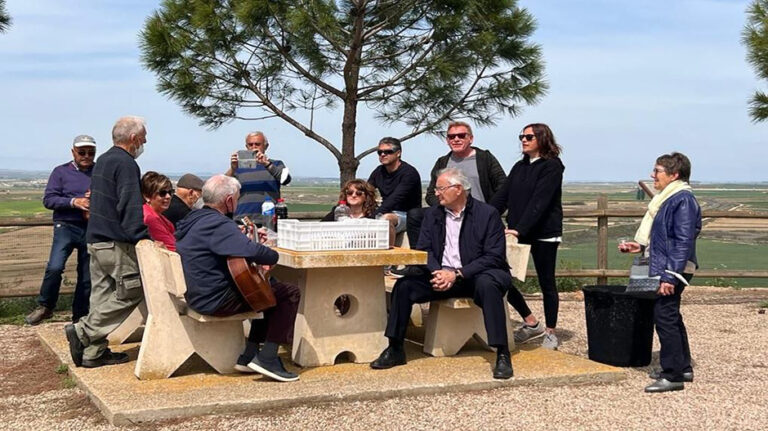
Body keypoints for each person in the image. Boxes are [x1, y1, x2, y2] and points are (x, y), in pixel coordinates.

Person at [371, 168, 515, 380]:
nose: (436, 193)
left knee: (489, 286)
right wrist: (438, 272)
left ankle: (502, 354)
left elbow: (493, 257)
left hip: (476, 275)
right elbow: (425, 249)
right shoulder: (432, 215)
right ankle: (395, 348)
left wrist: (456, 274)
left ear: (458, 189)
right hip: (441, 276)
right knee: (404, 287)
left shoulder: (487, 214)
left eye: (440, 189)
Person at [175, 175, 301, 382]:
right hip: (214, 300)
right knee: (287, 293)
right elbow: (262, 254)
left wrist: (238, 236)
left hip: (197, 293)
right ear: (229, 201)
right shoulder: (218, 224)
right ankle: (268, 358)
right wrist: (271, 253)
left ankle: (249, 355)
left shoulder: (193, 219)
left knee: (267, 286)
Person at [65, 116, 150, 368]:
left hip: (95, 238)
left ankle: (94, 353)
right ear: (133, 138)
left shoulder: (103, 160)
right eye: (143, 137)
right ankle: (83, 331)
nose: (145, 142)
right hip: (116, 241)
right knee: (133, 289)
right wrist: (141, 236)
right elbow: (129, 203)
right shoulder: (126, 164)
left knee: (100, 297)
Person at [619, 152, 701, 393]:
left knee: (664, 317)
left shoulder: (682, 200)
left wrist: (670, 276)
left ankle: (672, 374)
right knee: (671, 316)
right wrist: (641, 246)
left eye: (657, 171)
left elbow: (683, 241)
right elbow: (665, 236)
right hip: (669, 266)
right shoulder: (670, 198)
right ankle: (682, 367)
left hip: (673, 269)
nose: (652, 175)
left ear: (674, 175)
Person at [490, 123, 565, 350]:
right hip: (517, 230)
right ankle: (531, 321)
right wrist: (483, 218)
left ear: (542, 139)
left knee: (546, 282)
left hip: (543, 233)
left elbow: (540, 202)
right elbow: (502, 197)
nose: (523, 140)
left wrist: (519, 229)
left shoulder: (552, 167)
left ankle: (550, 331)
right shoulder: (519, 167)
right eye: (521, 136)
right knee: (501, 276)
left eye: (529, 136)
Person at [25, 135, 96, 325]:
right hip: (65, 226)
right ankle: (46, 306)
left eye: (91, 152)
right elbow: (49, 200)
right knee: (55, 266)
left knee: (87, 276)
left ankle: (79, 319)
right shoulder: (60, 172)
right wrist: (74, 202)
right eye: (82, 152)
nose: (86, 156)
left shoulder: (99, 173)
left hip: (90, 228)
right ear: (73, 152)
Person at [405, 121, 506, 247]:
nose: (456, 139)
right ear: (447, 140)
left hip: (477, 215)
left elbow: (503, 188)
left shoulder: (485, 158)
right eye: (452, 137)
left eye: (461, 136)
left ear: (470, 138)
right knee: (415, 215)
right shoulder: (442, 162)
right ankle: (419, 262)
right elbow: (431, 194)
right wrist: (447, 207)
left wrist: (490, 212)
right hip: (447, 213)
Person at [367, 137, 422, 246]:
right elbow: (365, 191)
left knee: (386, 220)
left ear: (398, 153)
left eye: (388, 152)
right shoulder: (379, 171)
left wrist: (372, 217)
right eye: (380, 152)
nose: (383, 154)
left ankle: (388, 261)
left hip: (408, 216)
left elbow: (395, 198)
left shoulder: (409, 173)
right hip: (387, 211)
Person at [225, 131, 291, 223]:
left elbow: (286, 180)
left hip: (269, 220)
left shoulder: (276, 164)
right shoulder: (238, 168)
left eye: (257, 144)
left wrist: (266, 164)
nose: (254, 147)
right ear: (246, 147)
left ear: (266, 146)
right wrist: (232, 168)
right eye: (250, 145)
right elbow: (223, 187)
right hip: (242, 220)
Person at [141, 171, 176, 251]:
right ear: (147, 196)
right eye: (162, 193)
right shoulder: (150, 218)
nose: (168, 196)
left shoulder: (158, 216)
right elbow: (171, 248)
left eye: (170, 192)